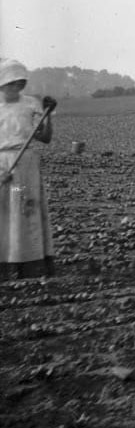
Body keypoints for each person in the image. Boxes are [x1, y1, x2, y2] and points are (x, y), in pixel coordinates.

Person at [0, 59, 57, 279]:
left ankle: (29, 263)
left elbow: (45, 137)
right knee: (5, 211)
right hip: (3, 165)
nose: (17, 86)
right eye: (12, 82)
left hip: (26, 166)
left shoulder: (31, 104)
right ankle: (6, 264)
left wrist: (48, 115)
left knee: (24, 208)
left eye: (20, 82)